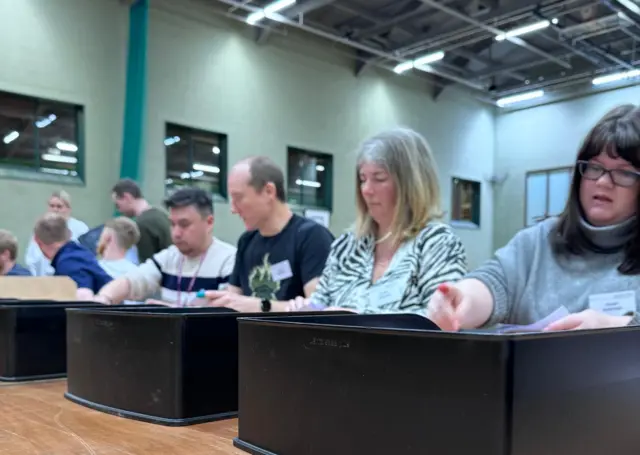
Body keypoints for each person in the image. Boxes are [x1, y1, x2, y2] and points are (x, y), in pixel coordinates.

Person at [428, 104, 640, 332]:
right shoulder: (540, 240)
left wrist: (622, 326)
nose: (602, 182)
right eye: (594, 168)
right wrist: (462, 298)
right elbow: (494, 282)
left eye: (623, 172)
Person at [290, 128, 466, 314]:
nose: (366, 189)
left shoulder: (437, 243)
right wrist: (307, 309)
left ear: (410, 185)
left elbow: (442, 319)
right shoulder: (347, 246)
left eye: (379, 178)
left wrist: (360, 321)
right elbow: (320, 303)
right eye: (362, 179)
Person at [204, 156, 334, 312]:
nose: (233, 209)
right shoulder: (246, 241)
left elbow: (319, 308)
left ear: (269, 191)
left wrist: (261, 306)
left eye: (238, 198)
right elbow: (233, 301)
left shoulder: (312, 237)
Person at [94, 187, 236, 307]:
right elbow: (132, 281)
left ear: (209, 222)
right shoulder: (168, 257)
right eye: (172, 224)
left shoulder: (229, 260)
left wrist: (175, 313)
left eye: (184, 224)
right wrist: (105, 298)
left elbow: (224, 312)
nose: (176, 233)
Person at [33, 213, 112, 298]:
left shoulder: (69, 263)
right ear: (69, 234)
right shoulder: (78, 254)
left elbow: (81, 303)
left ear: (37, 241)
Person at [25, 190, 89, 276]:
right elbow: (32, 258)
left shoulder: (80, 228)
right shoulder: (40, 228)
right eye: (52, 206)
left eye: (59, 206)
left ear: (68, 209)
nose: (55, 209)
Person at [111, 179, 172, 263]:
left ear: (127, 197)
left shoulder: (141, 224)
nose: (119, 210)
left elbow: (147, 266)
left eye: (117, 205)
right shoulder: (161, 213)